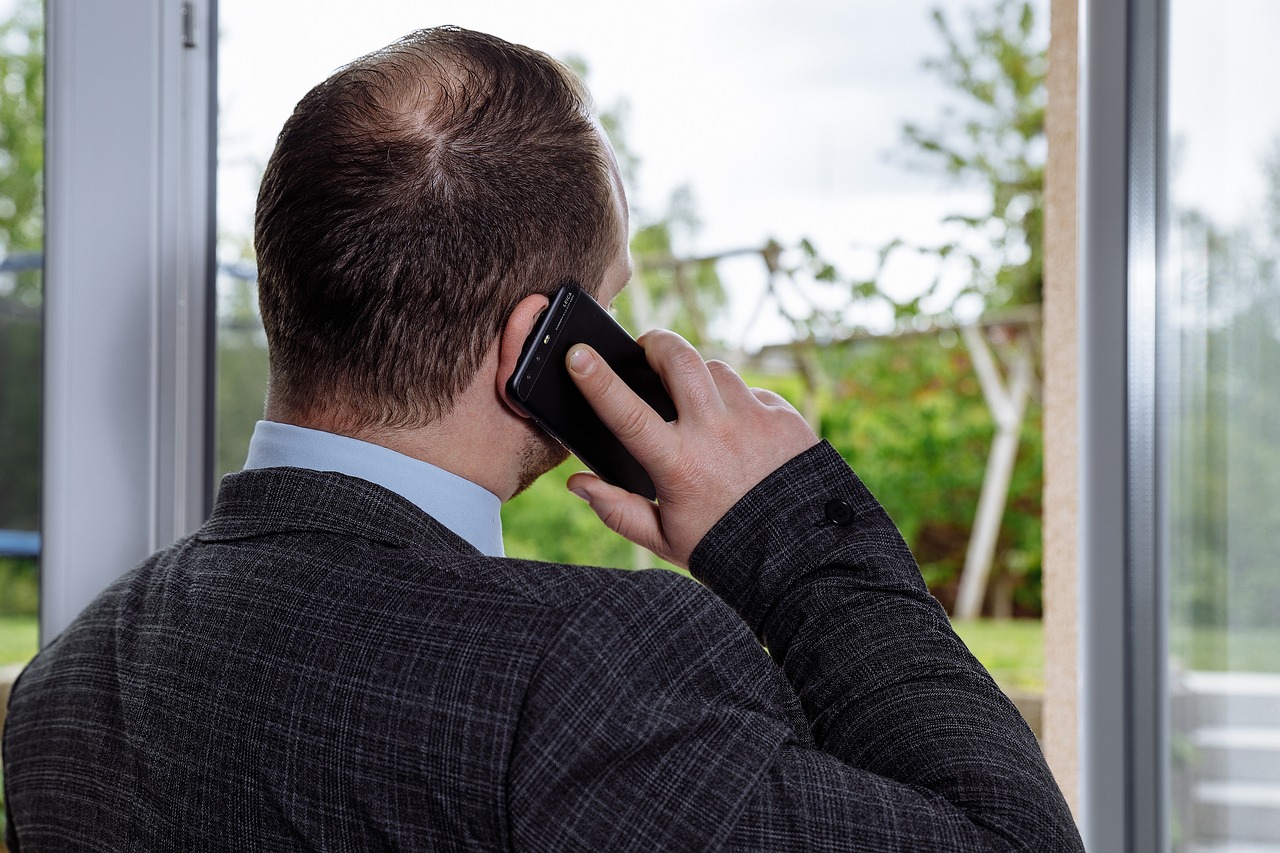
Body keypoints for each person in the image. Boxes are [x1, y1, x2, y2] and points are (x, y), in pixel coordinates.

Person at [2, 26, 1082, 852]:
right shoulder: (583, 675)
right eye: (607, 303)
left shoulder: (66, 684)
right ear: (543, 344)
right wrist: (791, 534)